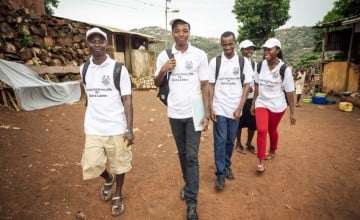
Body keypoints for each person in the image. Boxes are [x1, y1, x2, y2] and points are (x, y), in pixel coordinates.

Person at [154, 18, 210, 220]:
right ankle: (188, 185)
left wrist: (206, 112)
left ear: (189, 33)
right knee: (183, 153)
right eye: (177, 31)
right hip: (174, 111)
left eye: (185, 30)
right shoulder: (164, 55)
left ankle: (192, 202)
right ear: (172, 34)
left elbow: (205, 85)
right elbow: (156, 82)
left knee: (192, 156)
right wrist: (163, 69)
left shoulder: (199, 55)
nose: (181, 34)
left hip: (195, 108)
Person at [80, 27, 134, 217]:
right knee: (91, 164)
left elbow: (127, 100)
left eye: (100, 41)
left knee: (120, 164)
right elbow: (88, 96)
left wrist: (129, 128)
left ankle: (118, 195)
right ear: (88, 44)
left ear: (106, 44)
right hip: (94, 127)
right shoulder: (84, 68)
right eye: (92, 41)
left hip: (116, 127)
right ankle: (108, 178)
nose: (96, 44)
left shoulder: (118, 69)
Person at [209, 32, 251, 191]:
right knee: (220, 141)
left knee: (230, 140)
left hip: (235, 109)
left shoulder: (243, 62)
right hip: (219, 107)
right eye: (224, 44)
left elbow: (247, 85)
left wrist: (240, 107)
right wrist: (211, 106)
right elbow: (211, 85)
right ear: (221, 44)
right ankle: (220, 173)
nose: (227, 47)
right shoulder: (215, 62)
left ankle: (226, 165)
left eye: (230, 44)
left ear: (235, 43)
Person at [251, 38, 296, 173]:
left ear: (277, 50)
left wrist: (293, 112)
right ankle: (260, 161)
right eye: (265, 49)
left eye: (270, 49)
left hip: (277, 105)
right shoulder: (259, 66)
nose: (266, 51)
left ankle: (272, 149)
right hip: (262, 102)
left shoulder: (284, 69)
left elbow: (289, 91)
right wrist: (253, 103)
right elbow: (257, 85)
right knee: (262, 130)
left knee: (272, 130)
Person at [235, 39, 257, 155]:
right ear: (241, 50)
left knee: (253, 123)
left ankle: (249, 143)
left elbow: (257, 81)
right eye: (247, 48)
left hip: (252, 99)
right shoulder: (237, 63)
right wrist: (244, 87)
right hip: (239, 98)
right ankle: (238, 143)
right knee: (239, 122)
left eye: (252, 48)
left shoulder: (255, 65)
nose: (250, 51)